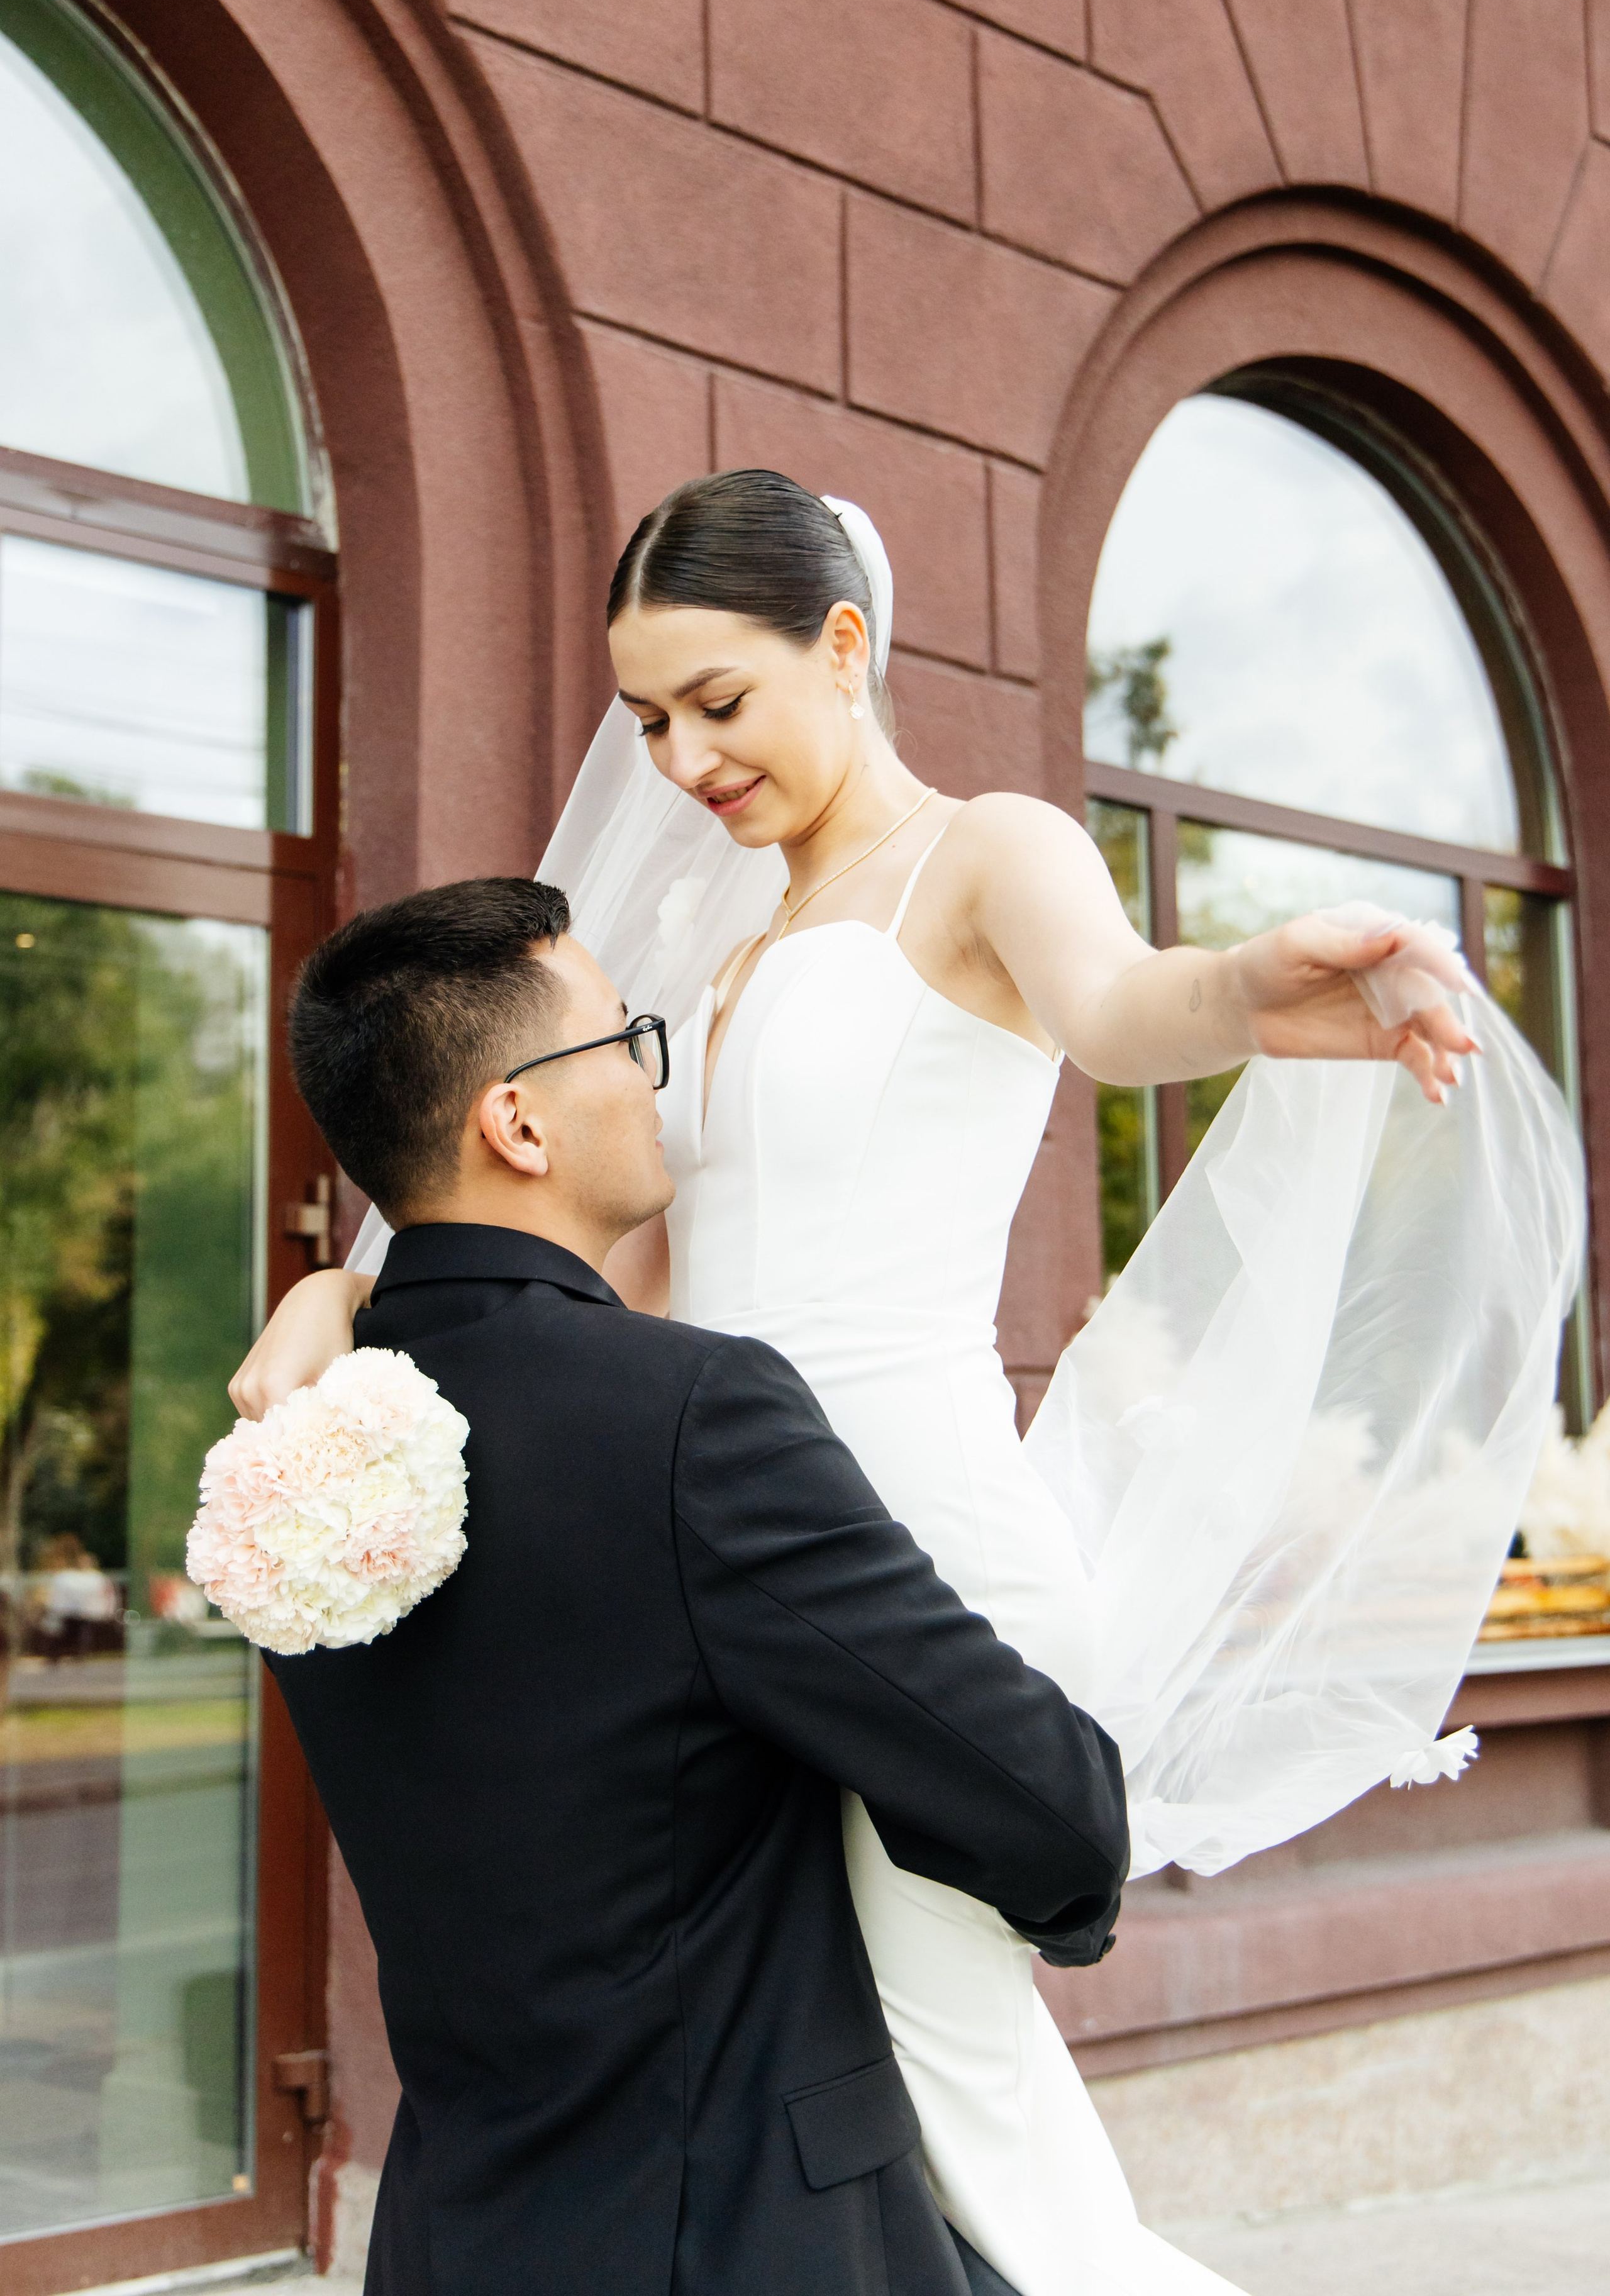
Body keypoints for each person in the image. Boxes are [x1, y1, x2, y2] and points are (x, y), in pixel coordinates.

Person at [236, 473, 1582, 2295]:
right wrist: (341, 1293)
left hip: (913, 1560)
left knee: (963, 2103)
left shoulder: (983, 853)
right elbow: (594, 1265)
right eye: (648, 720)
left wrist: (1246, 984)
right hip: (718, 1578)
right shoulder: (719, 950)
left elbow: (1125, 1009)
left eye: (718, 701)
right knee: (842, 2098)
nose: (682, 761)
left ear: (844, 645)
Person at [268, 874, 1130, 2296]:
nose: (651, 1079)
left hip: (454, 2238)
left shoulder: (293, 1449)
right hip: (744, 2237)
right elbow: (1044, 1803)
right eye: (624, 1039)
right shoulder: (690, 1415)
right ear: (518, 1121)